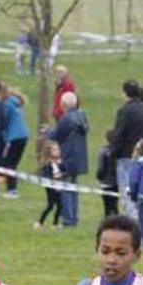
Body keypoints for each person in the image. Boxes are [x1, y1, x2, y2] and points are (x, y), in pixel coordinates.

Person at [107, 80, 143, 218]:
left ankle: (132, 225)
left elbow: (119, 135)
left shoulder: (124, 111)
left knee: (128, 195)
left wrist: (112, 155)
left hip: (127, 157)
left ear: (125, 93)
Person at [48, 89, 88, 227]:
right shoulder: (82, 116)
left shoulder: (66, 118)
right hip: (79, 159)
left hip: (68, 157)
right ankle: (74, 217)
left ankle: (69, 220)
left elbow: (56, 135)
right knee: (73, 189)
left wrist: (47, 131)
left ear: (63, 104)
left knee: (65, 189)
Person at [0, 82, 30, 199]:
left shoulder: (7, 105)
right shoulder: (15, 102)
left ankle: (12, 190)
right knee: (12, 164)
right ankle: (12, 188)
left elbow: (3, 122)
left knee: (8, 163)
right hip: (23, 136)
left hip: (14, 137)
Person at [36, 141, 66, 229]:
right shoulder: (47, 164)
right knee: (53, 206)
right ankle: (45, 223)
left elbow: (65, 171)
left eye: (58, 149)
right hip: (50, 187)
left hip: (58, 186)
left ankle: (49, 223)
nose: (58, 151)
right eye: (55, 150)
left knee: (56, 206)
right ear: (49, 152)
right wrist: (54, 177)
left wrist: (61, 170)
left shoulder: (60, 162)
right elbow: (46, 175)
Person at [96, 130, 118, 217]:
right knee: (114, 204)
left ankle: (108, 221)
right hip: (116, 182)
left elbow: (101, 167)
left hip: (105, 182)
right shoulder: (118, 150)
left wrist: (99, 177)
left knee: (107, 205)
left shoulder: (104, 151)